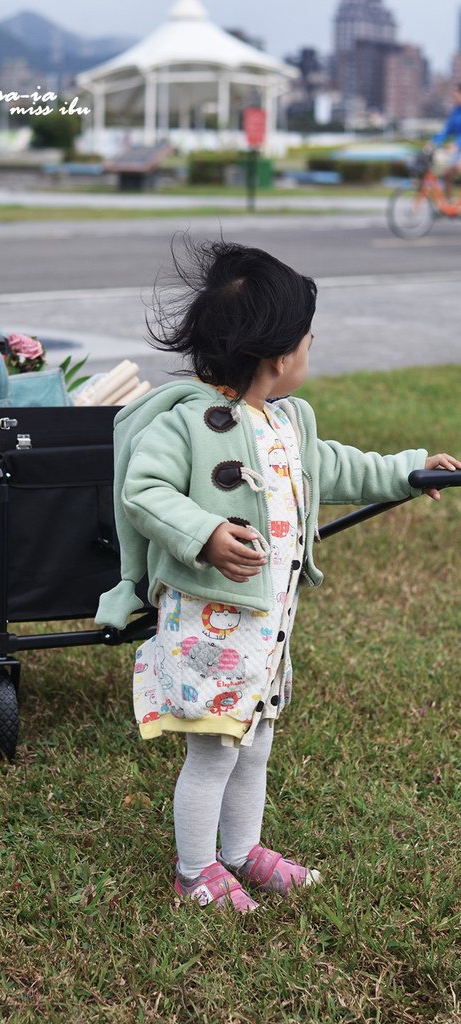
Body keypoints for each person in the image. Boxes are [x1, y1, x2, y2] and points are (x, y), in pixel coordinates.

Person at [95, 239, 461, 912]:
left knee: (255, 743)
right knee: (213, 752)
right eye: (309, 342)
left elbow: (340, 467)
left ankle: (241, 852)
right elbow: (143, 492)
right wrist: (204, 534)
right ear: (278, 355)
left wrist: (410, 471)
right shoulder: (185, 424)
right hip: (211, 624)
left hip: (265, 631)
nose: (310, 352)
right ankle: (195, 871)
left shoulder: (288, 421)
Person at [432, 83, 461, 199]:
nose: (454, 97)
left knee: (459, 167)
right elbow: (447, 130)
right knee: (446, 173)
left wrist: (457, 145)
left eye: (456, 95)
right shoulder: (455, 112)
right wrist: (434, 141)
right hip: (458, 149)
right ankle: (449, 204)